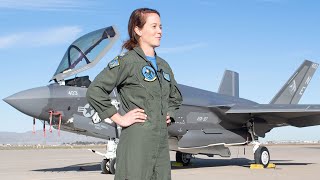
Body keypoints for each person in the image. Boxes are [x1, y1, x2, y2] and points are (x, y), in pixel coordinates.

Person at [86, 8, 182, 180]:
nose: (159, 31)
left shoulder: (164, 66)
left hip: (161, 144)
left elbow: (175, 96)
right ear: (138, 30)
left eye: (160, 26)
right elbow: (95, 90)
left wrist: (170, 114)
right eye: (153, 26)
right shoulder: (127, 62)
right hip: (137, 140)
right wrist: (119, 118)